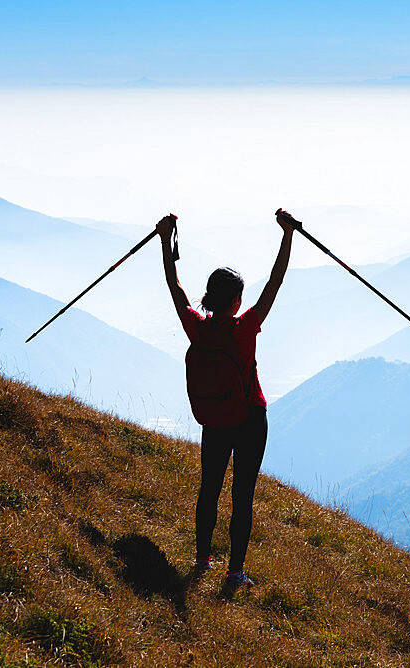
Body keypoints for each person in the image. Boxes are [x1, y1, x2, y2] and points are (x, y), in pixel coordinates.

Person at [156, 209, 295, 593]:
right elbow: (276, 281)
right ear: (235, 300)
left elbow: (174, 285)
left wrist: (165, 240)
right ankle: (234, 572)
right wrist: (288, 236)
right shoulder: (244, 328)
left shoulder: (196, 328)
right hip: (250, 416)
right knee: (242, 494)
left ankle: (202, 559)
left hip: (214, 419)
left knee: (209, 487)